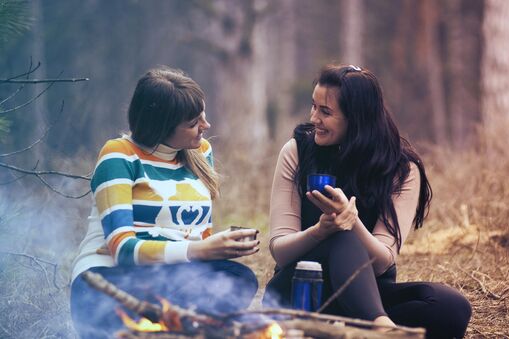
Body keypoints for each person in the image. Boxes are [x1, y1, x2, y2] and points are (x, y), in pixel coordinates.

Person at [264, 64, 471, 338]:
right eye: (313, 106)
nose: (314, 118)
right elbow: (280, 249)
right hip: (300, 291)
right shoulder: (297, 151)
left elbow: (383, 261)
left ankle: (361, 327)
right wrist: (321, 231)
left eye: (325, 112)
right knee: (338, 235)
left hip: (366, 295)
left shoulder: (401, 168)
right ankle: (381, 329)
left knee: (451, 306)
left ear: (357, 119)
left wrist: (354, 223)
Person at [70, 67, 259, 338]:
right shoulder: (119, 156)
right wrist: (200, 250)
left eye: (203, 116)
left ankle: (171, 326)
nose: (206, 127)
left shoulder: (200, 152)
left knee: (238, 279)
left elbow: (198, 235)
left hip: (170, 279)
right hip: (110, 280)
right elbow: (123, 250)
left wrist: (217, 248)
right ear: (161, 126)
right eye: (194, 122)